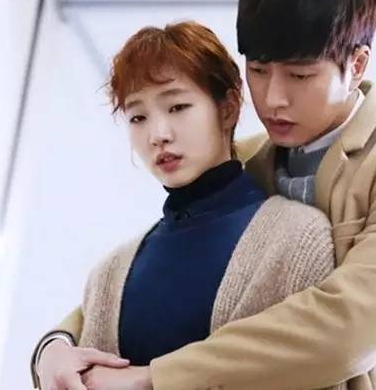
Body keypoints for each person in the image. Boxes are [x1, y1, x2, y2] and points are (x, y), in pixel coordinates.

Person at [32, 0, 376, 389]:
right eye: (258, 71)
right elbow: (145, 277)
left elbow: (349, 327)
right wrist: (56, 345)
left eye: (300, 76)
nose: (273, 98)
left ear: (356, 65)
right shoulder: (245, 156)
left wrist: (154, 377)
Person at [30, 20, 338, 390]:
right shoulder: (109, 274)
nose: (158, 135)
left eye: (177, 106)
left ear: (228, 108)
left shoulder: (298, 239)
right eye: (138, 117)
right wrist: (50, 350)